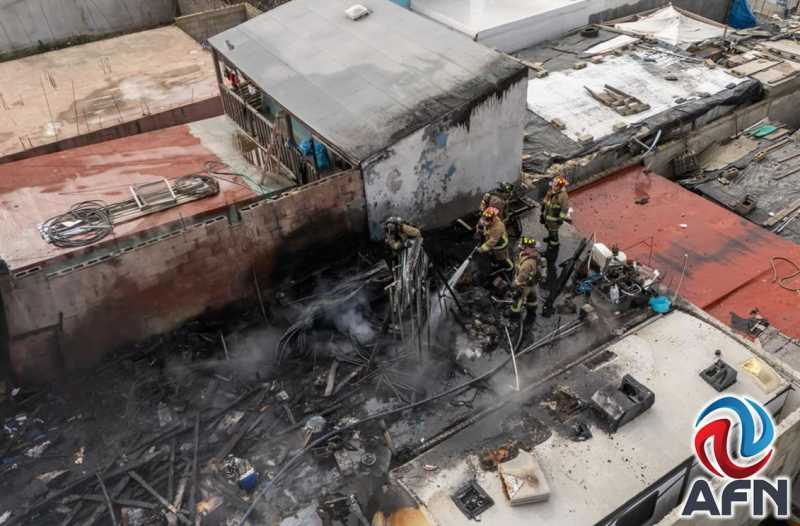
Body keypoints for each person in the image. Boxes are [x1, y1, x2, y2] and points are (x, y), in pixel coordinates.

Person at [540, 176, 570, 254]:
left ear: (559, 187)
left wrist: (561, 218)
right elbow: (546, 198)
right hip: (547, 215)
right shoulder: (551, 191)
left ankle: (554, 245)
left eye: (555, 185)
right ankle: (550, 238)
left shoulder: (563, 196)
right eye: (553, 184)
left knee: (554, 231)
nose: (553, 186)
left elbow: (565, 208)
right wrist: (543, 205)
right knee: (548, 228)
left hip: (555, 219)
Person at [511, 237, 540, 315]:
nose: (521, 247)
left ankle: (514, 313)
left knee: (518, 297)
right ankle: (532, 308)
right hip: (532, 281)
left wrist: (515, 284)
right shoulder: (535, 254)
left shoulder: (527, 264)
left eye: (524, 246)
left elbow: (522, 277)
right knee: (532, 295)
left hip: (524, 284)